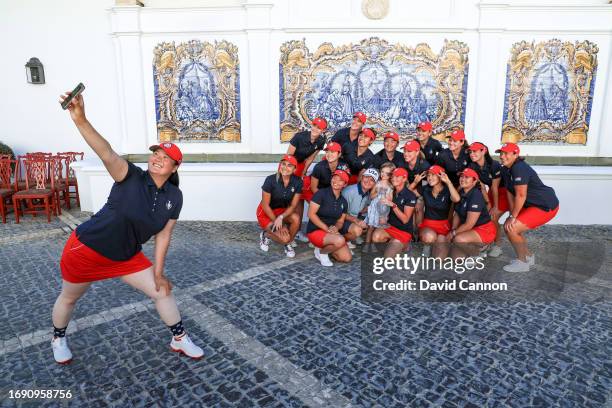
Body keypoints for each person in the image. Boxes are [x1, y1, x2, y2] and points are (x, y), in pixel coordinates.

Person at [52, 92, 203, 364]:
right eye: (155, 152)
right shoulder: (129, 175)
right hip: (87, 248)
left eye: (165, 156)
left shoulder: (174, 197)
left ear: (175, 166)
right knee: (69, 298)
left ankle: (179, 338)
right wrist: (81, 119)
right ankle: (58, 338)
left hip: (125, 256)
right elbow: (106, 151)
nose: (157, 157)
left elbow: (164, 236)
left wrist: (158, 273)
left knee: (162, 290)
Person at [497, 143, 559, 272]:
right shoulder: (505, 169)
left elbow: (520, 195)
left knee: (512, 228)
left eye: (506, 153)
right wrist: (511, 215)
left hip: (544, 205)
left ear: (515, 155)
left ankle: (522, 263)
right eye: (501, 153)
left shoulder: (519, 168)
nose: (502, 156)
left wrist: (513, 217)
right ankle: (528, 256)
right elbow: (509, 192)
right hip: (531, 204)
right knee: (512, 227)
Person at [287, 117, 327, 242]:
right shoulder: (299, 137)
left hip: (301, 167)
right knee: (288, 196)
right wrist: (289, 174)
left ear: (323, 131)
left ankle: (296, 231)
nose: (316, 129)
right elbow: (288, 156)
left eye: (319, 127)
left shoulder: (321, 141)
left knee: (300, 196)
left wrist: (302, 174)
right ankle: (286, 230)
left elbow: (310, 159)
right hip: (289, 165)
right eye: (314, 125)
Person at [257, 155, 303, 258]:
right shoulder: (270, 180)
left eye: (289, 165)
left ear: (295, 169)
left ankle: (288, 243)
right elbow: (265, 205)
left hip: (282, 211)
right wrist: (279, 223)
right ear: (280, 165)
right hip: (266, 213)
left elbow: (293, 205)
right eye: (283, 164)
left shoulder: (298, 182)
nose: (285, 168)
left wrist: (281, 218)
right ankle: (265, 235)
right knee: (284, 238)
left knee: (296, 218)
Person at [467, 142, 506, 258]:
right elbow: (481, 186)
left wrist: (495, 206)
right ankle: (486, 242)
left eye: (475, 151)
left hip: (503, 192)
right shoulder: (472, 165)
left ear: (483, 151)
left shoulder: (494, 165)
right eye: (470, 151)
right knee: (484, 216)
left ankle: (497, 245)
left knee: (493, 217)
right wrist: (486, 202)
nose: (472, 154)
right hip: (491, 192)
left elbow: (495, 187)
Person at [447, 168, 497, 259]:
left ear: (474, 182)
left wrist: (453, 234)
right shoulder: (461, 192)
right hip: (471, 229)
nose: (463, 179)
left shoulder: (476, 195)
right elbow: (457, 213)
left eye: (467, 177)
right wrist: (453, 229)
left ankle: (479, 252)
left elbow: (469, 224)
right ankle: (472, 246)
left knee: (458, 239)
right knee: (456, 258)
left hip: (484, 229)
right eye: (462, 176)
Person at [307, 170, 353, 267]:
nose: (336, 181)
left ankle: (325, 247)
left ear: (344, 184)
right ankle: (322, 253)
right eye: (335, 178)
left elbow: (340, 221)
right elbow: (311, 214)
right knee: (340, 240)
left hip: (331, 232)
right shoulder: (321, 193)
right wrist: (327, 229)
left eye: (340, 180)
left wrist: (336, 228)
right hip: (316, 230)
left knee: (346, 258)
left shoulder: (343, 201)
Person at [413, 165, 460, 258]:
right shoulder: (426, 188)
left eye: (433, 175)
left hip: (443, 226)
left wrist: (448, 182)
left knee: (439, 258)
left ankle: (435, 247)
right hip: (428, 225)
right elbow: (407, 192)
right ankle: (427, 246)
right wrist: (415, 182)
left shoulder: (447, 190)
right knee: (429, 236)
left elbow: (457, 199)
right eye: (428, 175)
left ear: (441, 176)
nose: (430, 178)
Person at [372, 168, 417, 258]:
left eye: (397, 176)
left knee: (388, 258)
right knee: (376, 237)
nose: (393, 178)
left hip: (404, 231)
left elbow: (405, 220)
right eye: (392, 176)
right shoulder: (391, 192)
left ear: (404, 179)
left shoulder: (410, 195)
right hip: (391, 227)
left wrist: (393, 205)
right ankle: (392, 243)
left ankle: (404, 245)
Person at [341, 168, 377, 249]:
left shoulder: (367, 193)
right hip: (339, 219)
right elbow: (338, 213)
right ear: (362, 177)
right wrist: (357, 221)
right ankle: (341, 242)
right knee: (358, 230)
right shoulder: (350, 191)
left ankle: (351, 235)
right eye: (366, 177)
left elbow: (358, 209)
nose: (368, 181)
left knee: (371, 222)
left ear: (374, 184)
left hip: (351, 217)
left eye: (372, 180)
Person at [364, 163, 395, 252]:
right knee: (370, 227)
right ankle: (367, 245)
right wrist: (378, 192)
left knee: (379, 227)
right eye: (382, 172)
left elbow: (390, 199)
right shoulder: (377, 183)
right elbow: (371, 196)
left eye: (387, 173)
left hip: (383, 209)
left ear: (390, 175)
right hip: (374, 208)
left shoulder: (390, 186)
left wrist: (386, 196)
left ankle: (374, 245)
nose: (383, 174)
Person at [402, 139, 431, 228]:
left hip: (420, 192)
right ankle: (408, 231)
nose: (406, 154)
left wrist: (415, 194)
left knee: (418, 205)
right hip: (407, 190)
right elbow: (401, 184)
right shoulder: (401, 163)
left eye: (409, 151)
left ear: (417, 152)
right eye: (404, 151)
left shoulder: (424, 166)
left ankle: (417, 232)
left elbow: (426, 186)